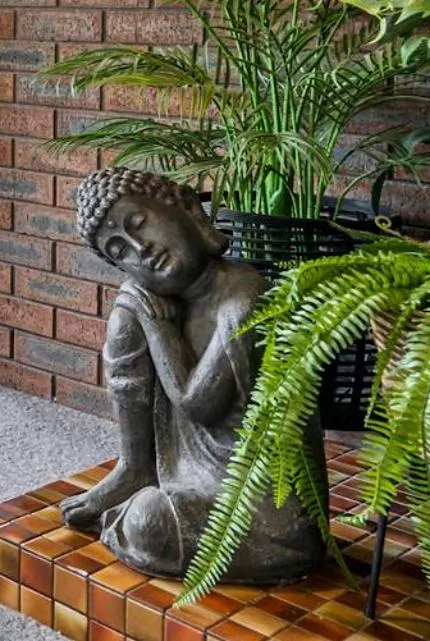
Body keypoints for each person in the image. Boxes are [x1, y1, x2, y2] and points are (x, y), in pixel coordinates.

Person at [58, 168, 324, 583]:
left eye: (138, 224)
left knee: (149, 523)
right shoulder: (158, 299)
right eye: (118, 249)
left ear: (184, 207)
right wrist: (145, 317)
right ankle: (136, 467)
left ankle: (146, 506)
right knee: (131, 308)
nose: (139, 249)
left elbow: (198, 404)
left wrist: (161, 331)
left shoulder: (245, 298)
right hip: (193, 486)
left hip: (265, 515)